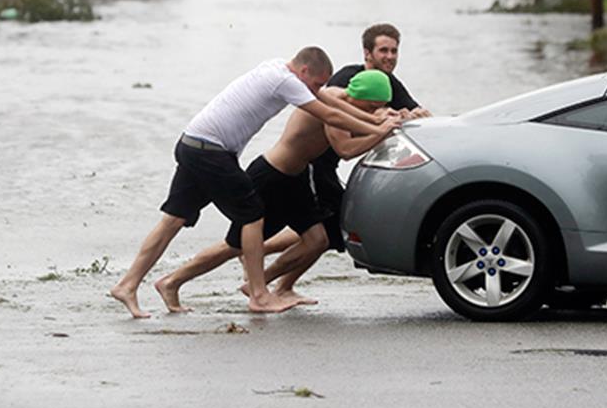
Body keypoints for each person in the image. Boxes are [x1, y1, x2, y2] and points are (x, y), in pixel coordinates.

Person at [109, 48, 398, 318]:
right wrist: (379, 128)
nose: (317, 91)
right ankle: (258, 294)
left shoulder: (275, 68)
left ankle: (128, 285)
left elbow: (335, 104)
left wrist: (381, 122)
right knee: (251, 217)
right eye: (315, 84)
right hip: (212, 151)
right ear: (304, 70)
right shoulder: (287, 82)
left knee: (172, 221)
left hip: (195, 143)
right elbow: (332, 114)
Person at [262, 23, 432, 291]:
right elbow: (338, 121)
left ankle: (267, 266)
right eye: (383, 50)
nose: (389, 56)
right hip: (314, 166)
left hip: (328, 169)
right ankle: (263, 270)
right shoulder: (347, 79)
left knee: (324, 232)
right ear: (367, 53)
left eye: (394, 51)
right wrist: (377, 123)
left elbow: (414, 111)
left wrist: (415, 115)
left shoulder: (388, 84)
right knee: (326, 233)